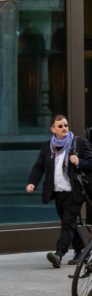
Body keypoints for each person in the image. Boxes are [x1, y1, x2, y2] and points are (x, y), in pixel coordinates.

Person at [26, 114, 92, 267]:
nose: (64, 128)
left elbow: (91, 162)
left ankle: (59, 253)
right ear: (53, 129)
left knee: (67, 223)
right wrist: (32, 183)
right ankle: (81, 250)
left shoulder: (79, 143)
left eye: (66, 125)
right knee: (68, 223)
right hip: (58, 192)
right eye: (60, 126)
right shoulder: (47, 146)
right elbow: (39, 166)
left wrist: (79, 162)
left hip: (75, 191)